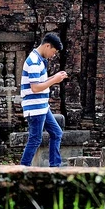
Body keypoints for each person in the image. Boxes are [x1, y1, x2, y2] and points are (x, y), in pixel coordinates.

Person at [20, 33, 68, 167]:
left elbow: (39, 82)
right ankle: (23, 168)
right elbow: (35, 88)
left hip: (42, 106)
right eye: (53, 51)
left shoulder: (39, 60)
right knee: (35, 139)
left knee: (57, 133)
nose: (53, 55)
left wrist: (55, 76)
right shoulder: (34, 61)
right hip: (35, 108)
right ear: (47, 46)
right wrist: (54, 80)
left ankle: (54, 167)